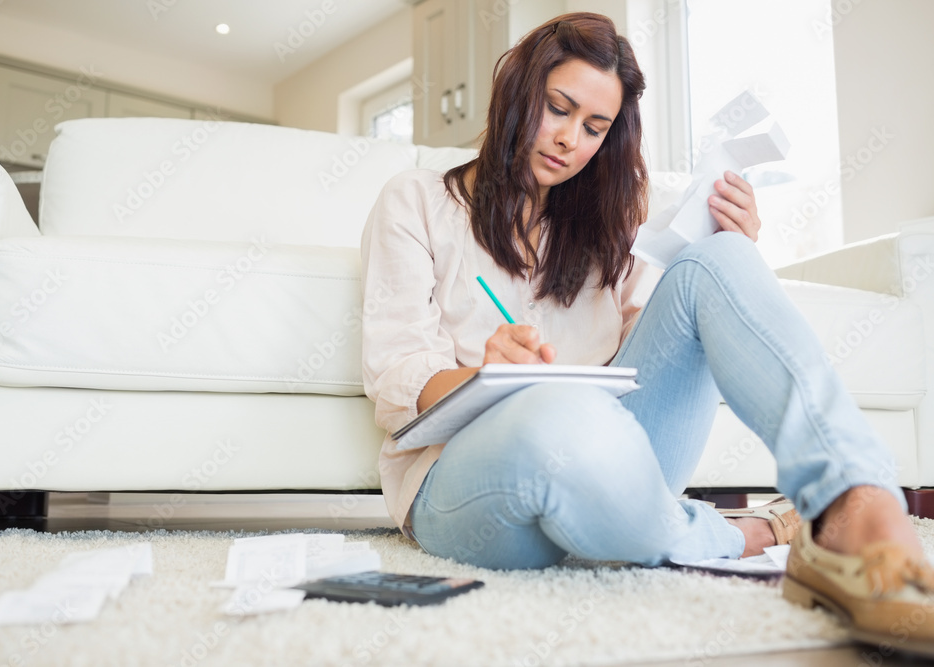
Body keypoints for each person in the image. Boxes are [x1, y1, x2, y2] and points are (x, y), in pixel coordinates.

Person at [360, 12, 934, 654]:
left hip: (615, 460)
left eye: (593, 128)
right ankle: (742, 535)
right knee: (559, 415)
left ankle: (863, 513)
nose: (569, 140)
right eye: (558, 108)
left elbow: (660, 348)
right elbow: (395, 379)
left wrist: (732, 252)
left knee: (716, 259)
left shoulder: (607, 225)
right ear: (520, 91)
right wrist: (485, 377)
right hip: (467, 481)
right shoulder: (414, 201)